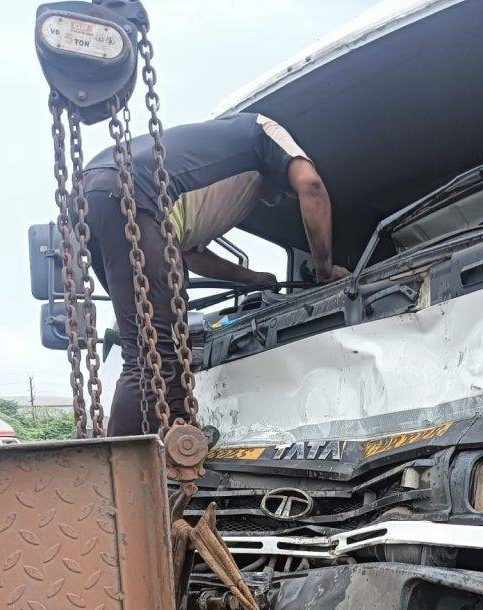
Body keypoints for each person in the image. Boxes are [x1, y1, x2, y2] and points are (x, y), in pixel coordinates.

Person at [83, 112, 348, 435]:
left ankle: (178, 442)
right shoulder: (265, 130)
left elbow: (192, 255)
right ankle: (124, 471)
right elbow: (311, 184)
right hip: (130, 193)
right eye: (283, 194)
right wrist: (325, 269)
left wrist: (252, 279)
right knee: (152, 355)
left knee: (162, 345)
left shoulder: (215, 193)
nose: (280, 199)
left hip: (96, 196)